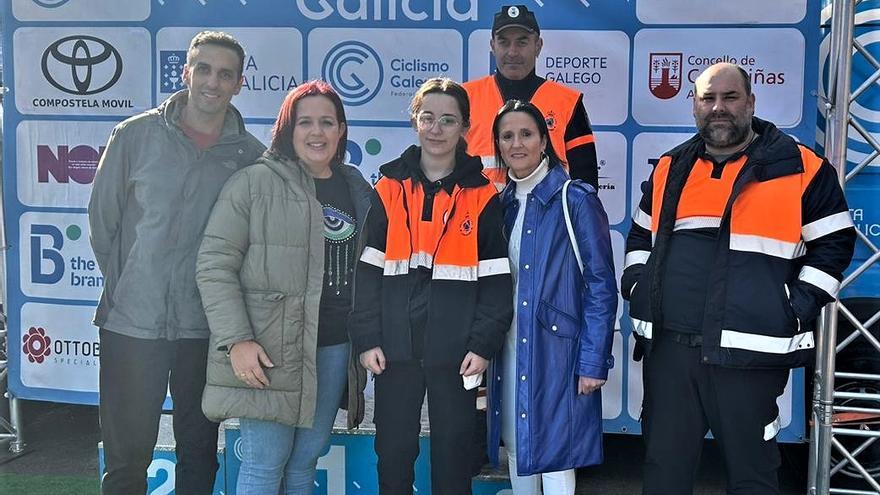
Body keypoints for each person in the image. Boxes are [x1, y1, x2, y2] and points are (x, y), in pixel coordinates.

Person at [622, 63, 856, 495]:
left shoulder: (801, 167)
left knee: (753, 478)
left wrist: (793, 306)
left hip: (750, 358)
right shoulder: (671, 167)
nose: (718, 108)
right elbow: (640, 233)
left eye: (730, 98)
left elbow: (836, 244)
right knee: (663, 473)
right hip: (671, 354)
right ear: (694, 107)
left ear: (750, 102)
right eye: (708, 99)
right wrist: (637, 283)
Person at [88, 31, 265, 494]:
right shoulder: (134, 136)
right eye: (203, 69)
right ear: (186, 72)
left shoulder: (250, 157)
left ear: (239, 84)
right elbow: (103, 225)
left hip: (204, 332)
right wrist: (131, 286)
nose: (212, 81)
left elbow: (248, 248)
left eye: (225, 74)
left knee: (198, 455)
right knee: (126, 462)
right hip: (130, 325)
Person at [195, 80, 371, 494]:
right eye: (305, 122)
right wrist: (236, 339)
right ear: (287, 129)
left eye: (327, 122)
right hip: (270, 350)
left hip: (332, 348)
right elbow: (214, 264)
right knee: (264, 466)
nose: (316, 132)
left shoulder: (356, 187)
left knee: (304, 464)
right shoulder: (253, 183)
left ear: (341, 130)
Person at [348, 77, 513, 495]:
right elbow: (366, 274)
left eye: (448, 120)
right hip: (394, 353)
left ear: (465, 127)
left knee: (454, 460)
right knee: (394, 457)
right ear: (414, 122)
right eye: (428, 118)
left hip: (457, 356)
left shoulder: (484, 196)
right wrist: (367, 339)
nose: (436, 128)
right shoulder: (386, 188)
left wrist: (482, 345)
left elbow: (497, 282)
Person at [489, 99, 617, 494]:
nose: (516, 144)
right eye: (507, 136)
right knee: (517, 449)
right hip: (508, 349)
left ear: (544, 140)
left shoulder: (575, 198)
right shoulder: (501, 204)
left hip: (557, 352)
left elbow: (601, 283)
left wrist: (594, 361)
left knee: (557, 457)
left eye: (526, 134)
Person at [464, 4, 599, 189]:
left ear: (538, 45)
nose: (512, 52)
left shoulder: (567, 102)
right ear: (492, 46)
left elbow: (586, 180)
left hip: (546, 216)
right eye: (504, 42)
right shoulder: (465, 97)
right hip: (478, 215)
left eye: (522, 42)